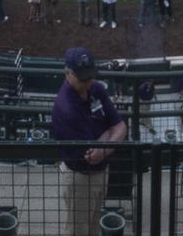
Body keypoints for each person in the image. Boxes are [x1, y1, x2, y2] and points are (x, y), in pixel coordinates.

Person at [50, 48, 127, 235]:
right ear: (67, 73)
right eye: (82, 78)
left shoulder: (96, 88)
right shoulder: (66, 107)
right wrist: (110, 134)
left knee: (92, 228)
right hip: (79, 179)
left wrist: (104, 144)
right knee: (78, 231)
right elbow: (92, 154)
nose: (88, 81)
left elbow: (121, 127)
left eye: (90, 76)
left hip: (100, 173)